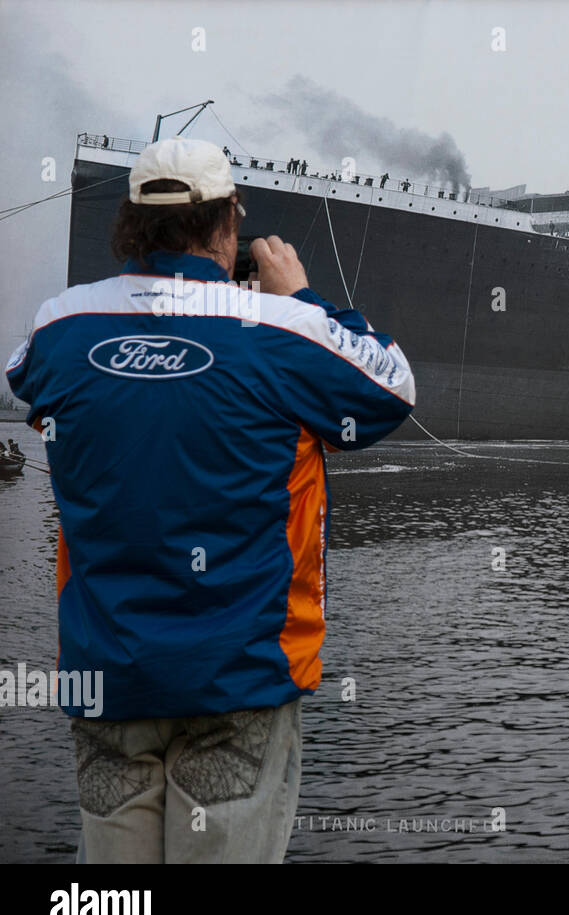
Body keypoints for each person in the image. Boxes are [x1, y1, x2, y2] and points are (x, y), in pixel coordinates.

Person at [5, 137, 416, 864]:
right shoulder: (280, 332)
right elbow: (391, 387)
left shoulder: (59, 328)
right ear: (230, 222)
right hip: (239, 680)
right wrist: (301, 298)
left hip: (106, 679)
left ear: (130, 222)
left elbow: (27, 378)